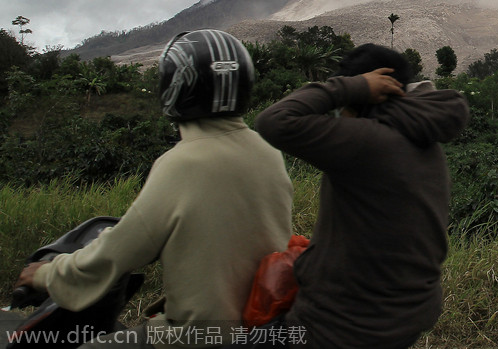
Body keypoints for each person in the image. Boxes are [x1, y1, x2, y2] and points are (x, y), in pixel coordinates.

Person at [13, 29, 294, 348]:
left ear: (175, 87)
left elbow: (116, 254)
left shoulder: (182, 162)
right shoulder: (268, 153)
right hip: (261, 329)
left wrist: (45, 275)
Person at [255, 43, 470, 349]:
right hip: (405, 318)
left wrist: (351, 86)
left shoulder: (366, 141)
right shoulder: (423, 139)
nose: (339, 116)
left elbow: (274, 121)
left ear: (365, 98)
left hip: (339, 329)